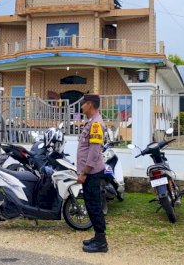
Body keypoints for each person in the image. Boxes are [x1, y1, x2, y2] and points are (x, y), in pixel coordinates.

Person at [76, 94, 108, 253]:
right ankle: (98, 236)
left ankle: (101, 242)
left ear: (89, 105)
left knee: (94, 206)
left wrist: (84, 173)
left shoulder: (95, 124)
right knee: (91, 204)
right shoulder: (91, 122)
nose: (81, 107)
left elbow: (94, 152)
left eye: (83, 104)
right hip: (90, 173)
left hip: (91, 173)